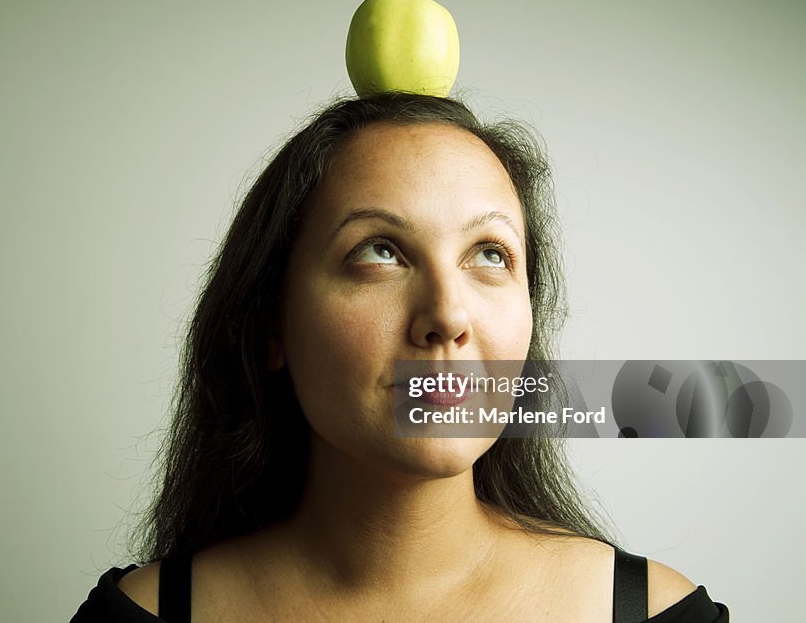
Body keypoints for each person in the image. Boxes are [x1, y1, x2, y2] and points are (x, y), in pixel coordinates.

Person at [69, 92, 729, 622]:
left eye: (490, 254)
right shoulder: (141, 614)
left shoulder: (658, 613)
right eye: (379, 250)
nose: (447, 314)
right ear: (271, 322)